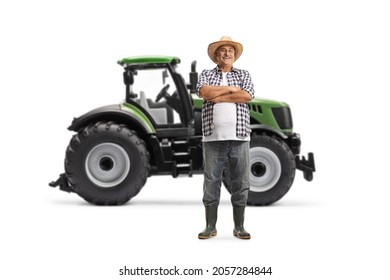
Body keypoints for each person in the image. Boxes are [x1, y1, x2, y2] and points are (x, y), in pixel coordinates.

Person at [196, 36, 255, 239]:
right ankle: (210, 226)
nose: (227, 53)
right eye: (223, 50)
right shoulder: (206, 74)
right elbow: (203, 91)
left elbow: (247, 96)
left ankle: (239, 226)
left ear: (234, 55)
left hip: (239, 136)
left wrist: (217, 97)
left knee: (241, 182)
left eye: (230, 50)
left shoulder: (244, 74)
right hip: (213, 137)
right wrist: (231, 90)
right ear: (216, 55)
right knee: (211, 182)